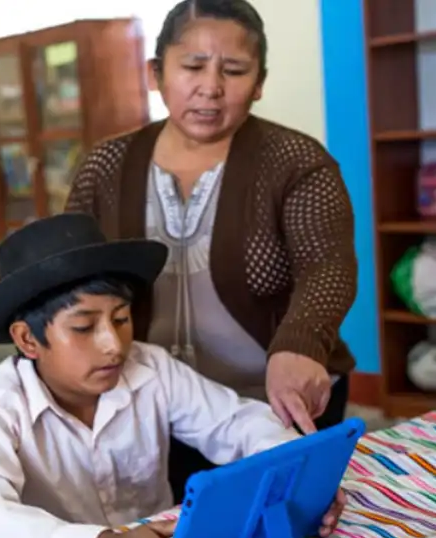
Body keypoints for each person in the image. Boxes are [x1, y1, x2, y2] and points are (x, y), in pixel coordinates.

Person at [0, 214, 345, 538]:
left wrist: (301, 471)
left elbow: (236, 422)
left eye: (120, 319)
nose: (113, 345)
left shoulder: (150, 369)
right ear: (28, 339)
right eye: (83, 327)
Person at [64, 0, 358, 502]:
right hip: (152, 406)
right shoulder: (107, 166)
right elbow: (69, 271)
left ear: (259, 82)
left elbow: (327, 266)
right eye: (192, 66)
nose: (211, 87)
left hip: (274, 405)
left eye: (235, 70)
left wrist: (302, 343)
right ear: (157, 72)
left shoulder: (296, 161)